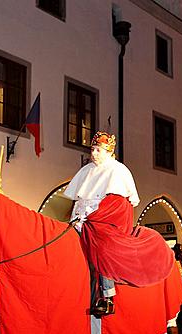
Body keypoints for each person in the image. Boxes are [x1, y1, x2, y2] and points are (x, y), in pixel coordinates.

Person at [63, 131, 173, 317]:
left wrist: (94, 217)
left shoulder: (117, 170)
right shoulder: (85, 171)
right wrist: (75, 218)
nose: (94, 153)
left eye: (98, 150)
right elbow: (78, 200)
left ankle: (107, 297)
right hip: (80, 221)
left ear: (108, 152)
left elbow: (118, 205)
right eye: (93, 149)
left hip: (104, 223)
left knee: (103, 249)